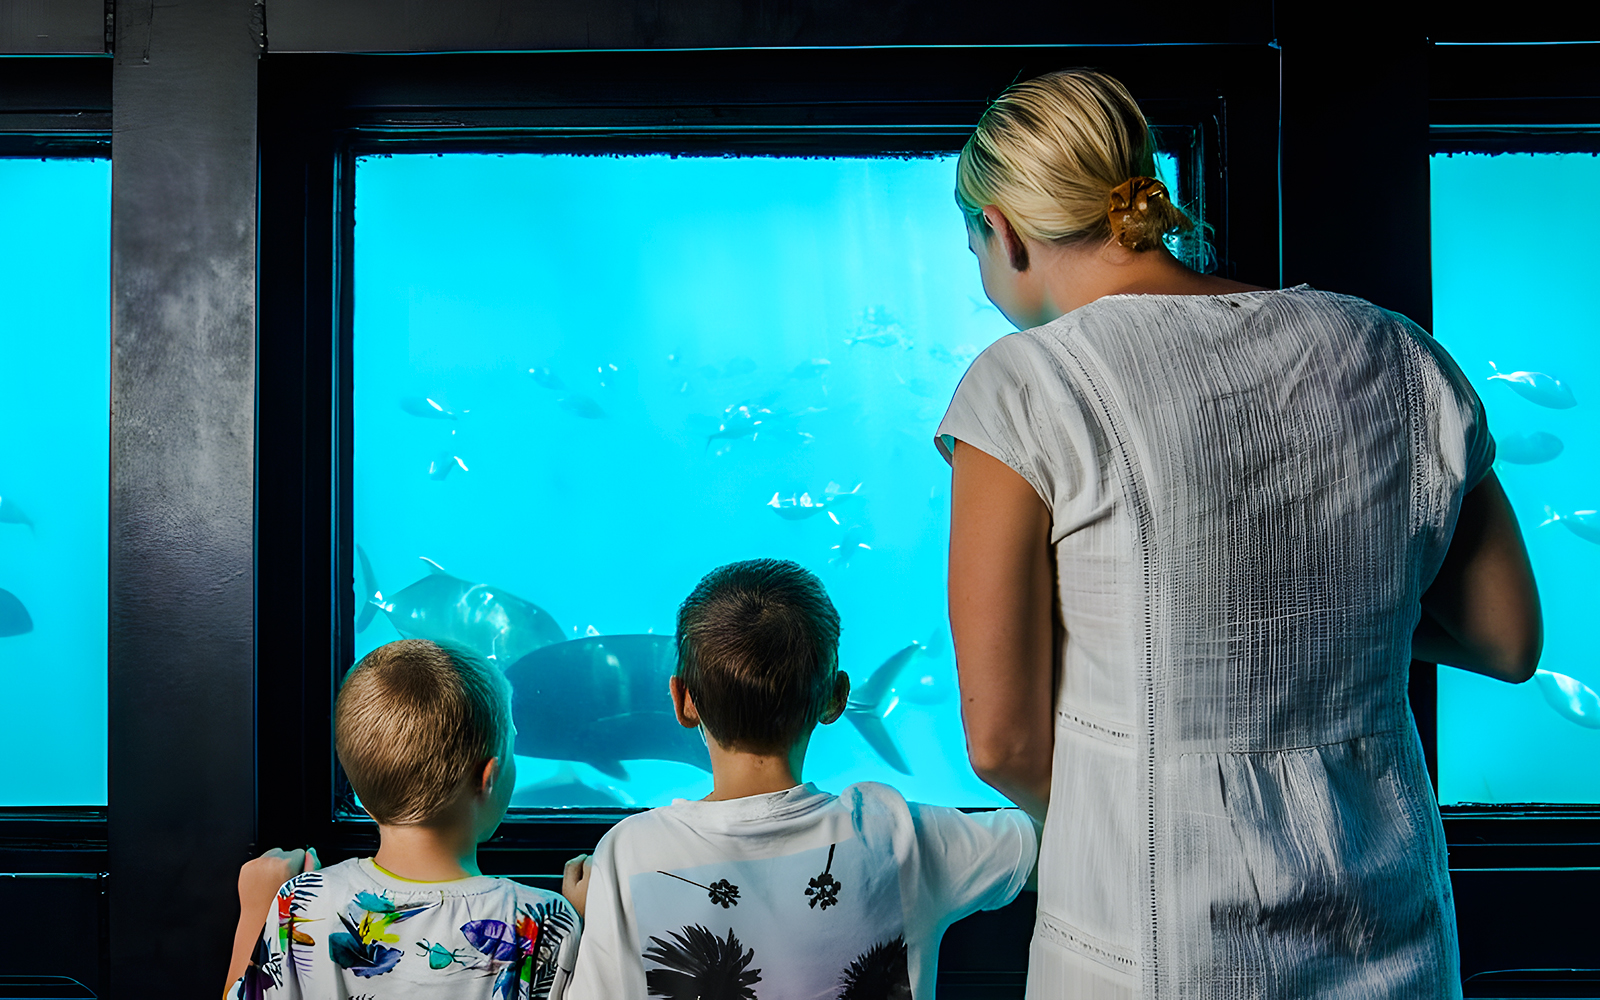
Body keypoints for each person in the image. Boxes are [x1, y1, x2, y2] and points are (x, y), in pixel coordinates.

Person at [940, 69, 1540, 998]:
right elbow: (1509, 639)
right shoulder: (1395, 350)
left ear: (1004, 233)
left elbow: (1003, 743)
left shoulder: (1024, 387)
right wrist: (1325, 614)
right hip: (1393, 931)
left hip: (1153, 944)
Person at [560, 558, 1038, 999]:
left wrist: (590, 918)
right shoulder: (896, 832)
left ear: (683, 700)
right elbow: (1050, 844)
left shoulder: (628, 856)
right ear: (836, 698)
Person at [222, 639, 580, 999]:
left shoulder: (301, 903)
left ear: (356, 788)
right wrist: (586, 925)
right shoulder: (541, 921)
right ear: (488, 777)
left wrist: (255, 912)